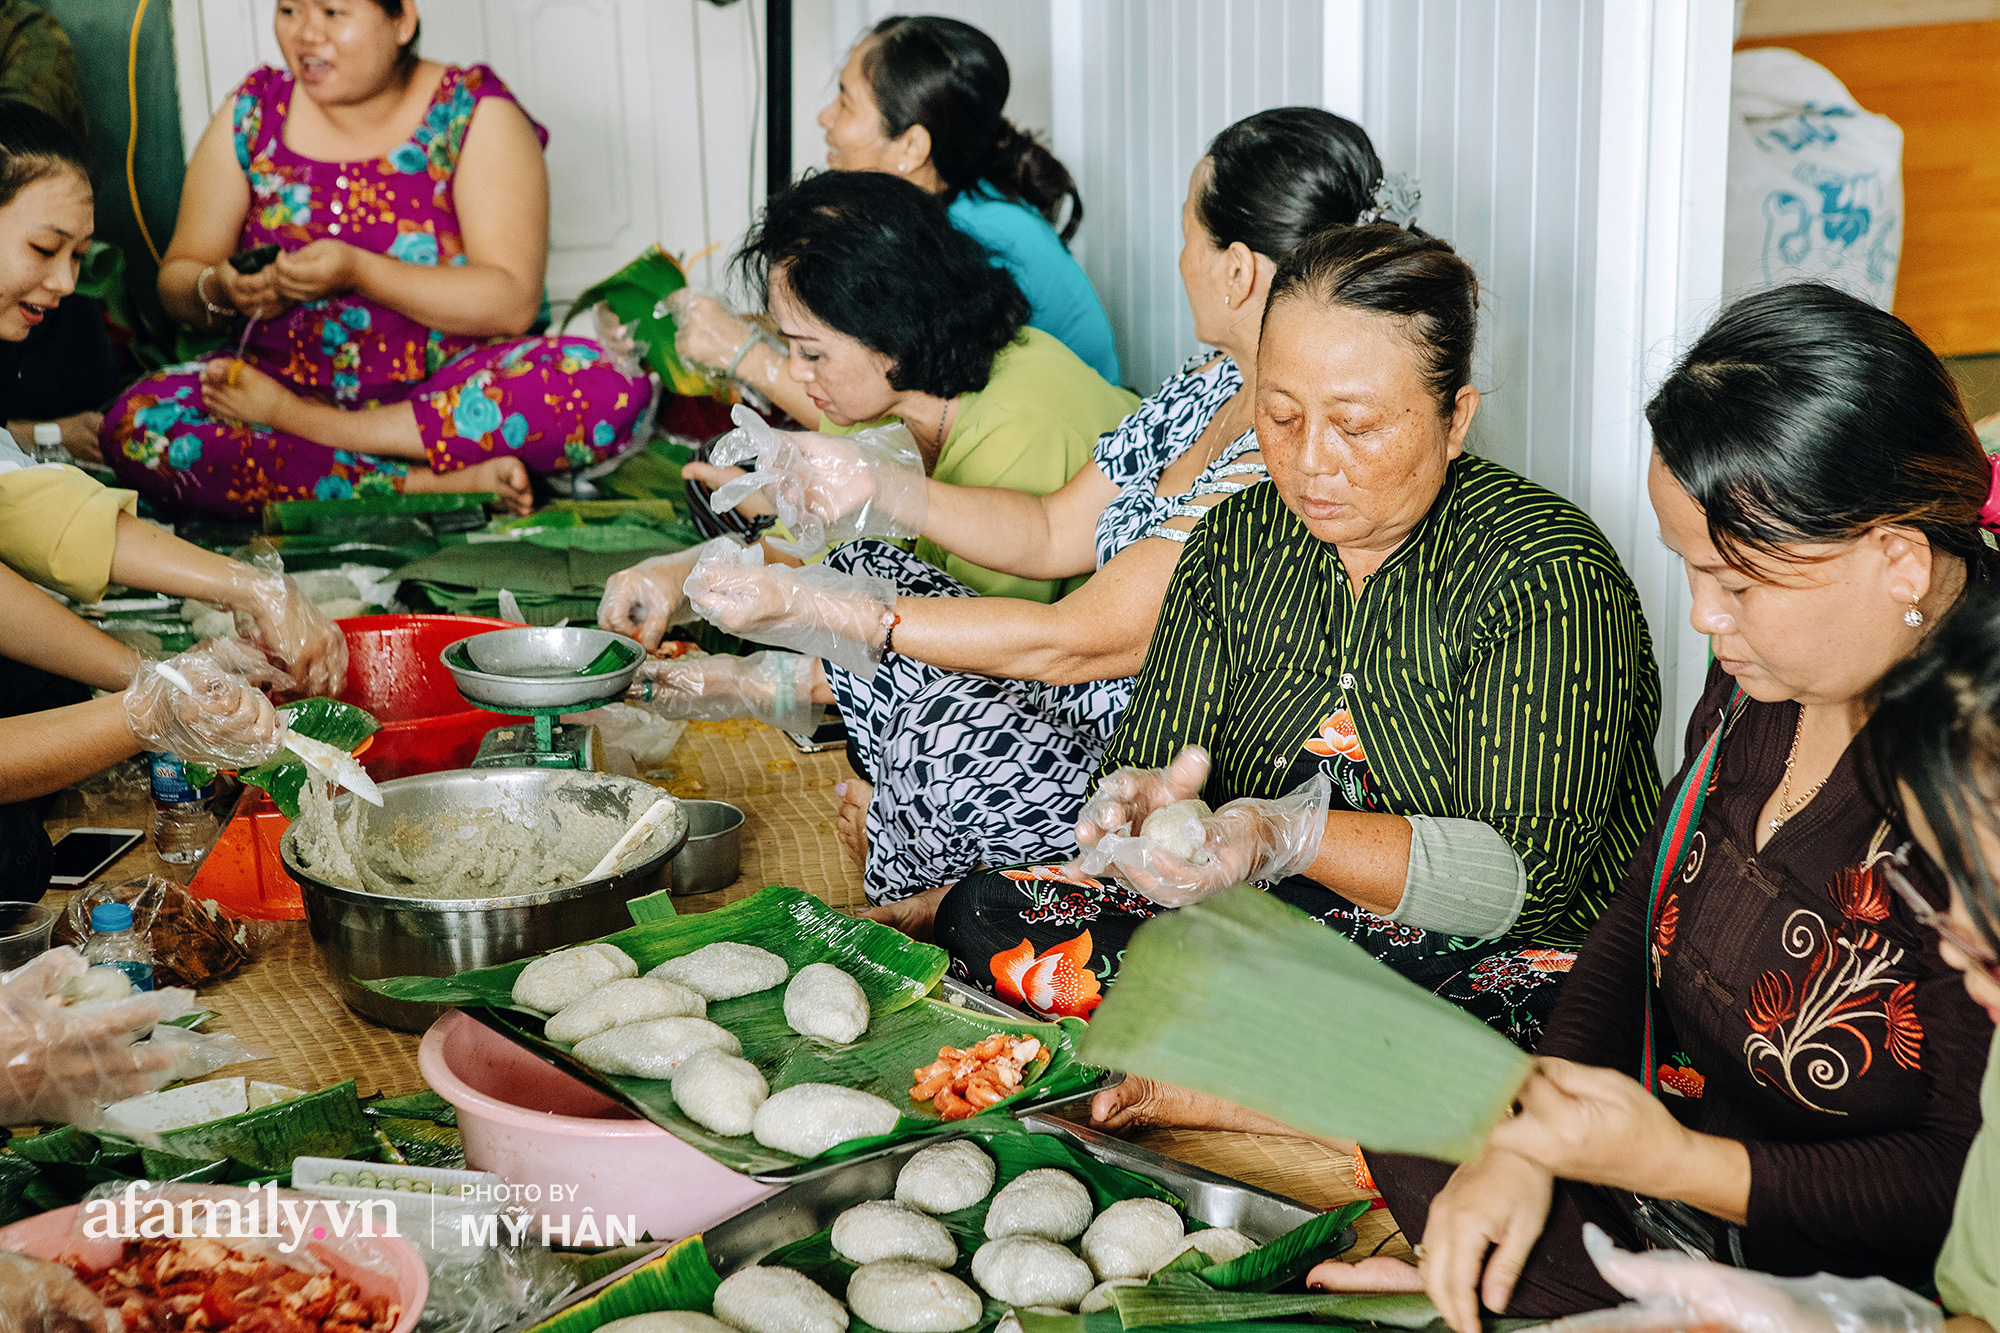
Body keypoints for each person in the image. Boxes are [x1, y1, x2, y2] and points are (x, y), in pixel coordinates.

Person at [1307, 284, 1999, 1328]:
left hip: (1850, 1264)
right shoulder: (1760, 680)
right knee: (1424, 1102)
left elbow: (1956, 1189)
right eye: (1689, 569)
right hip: (1678, 1159)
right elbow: (1639, 906)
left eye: (1736, 581)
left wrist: (1677, 1162)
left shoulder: (1967, 776)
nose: (1701, 617)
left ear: (1895, 557)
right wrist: (1523, 1146)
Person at [604, 108, 1384, 908]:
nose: (1178, 256)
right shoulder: (1214, 382)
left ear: (1239, 271)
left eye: (1189, 235)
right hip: (1082, 706)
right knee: (863, 566)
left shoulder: (1287, 448)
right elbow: (1052, 529)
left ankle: (947, 885)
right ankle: (924, 836)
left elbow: (1070, 644)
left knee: (935, 728)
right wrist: (884, 492)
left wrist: (846, 616)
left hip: (1164, 772)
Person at [921, 224, 1661, 1044]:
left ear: (1455, 420)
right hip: (1267, 940)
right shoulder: (1235, 541)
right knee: (985, 911)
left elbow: (1523, 882)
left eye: (1355, 424)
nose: (1310, 460)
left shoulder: (1545, 570)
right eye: (1278, 415)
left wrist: (1288, 833)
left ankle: (1253, 1061)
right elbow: (1164, 764)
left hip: (1479, 959)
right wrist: (1142, 807)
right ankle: (1289, 1061)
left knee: (1562, 1024)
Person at [95, 0, 654, 518]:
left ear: (402, 18)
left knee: (604, 383)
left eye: (334, 11)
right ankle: (430, 485)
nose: (306, 33)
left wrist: (358, 271)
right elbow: (181, 277)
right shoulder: (253, 113)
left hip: (442, 394)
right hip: (276, 379)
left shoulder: (470, 111)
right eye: (289, 8)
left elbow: (510, 301)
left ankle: (325, 442)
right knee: (138, 425)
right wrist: (221, 289)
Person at [675, 168, 1134, 604]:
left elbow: (981, 649)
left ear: (893, 336)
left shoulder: (1018, 429)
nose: (796, 371)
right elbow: (820, 558)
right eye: (790, 346)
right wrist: (680, 577)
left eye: (812, 353)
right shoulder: (876, 404)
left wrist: (765, 679)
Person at [671, 14, 1120, 418]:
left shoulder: (970, 240)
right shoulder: (948, 206)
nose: (824, 116)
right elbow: (848, 335)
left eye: (846, 103)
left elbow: (881, 418)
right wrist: (716, 324)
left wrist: (741, 351)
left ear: (911, 147)